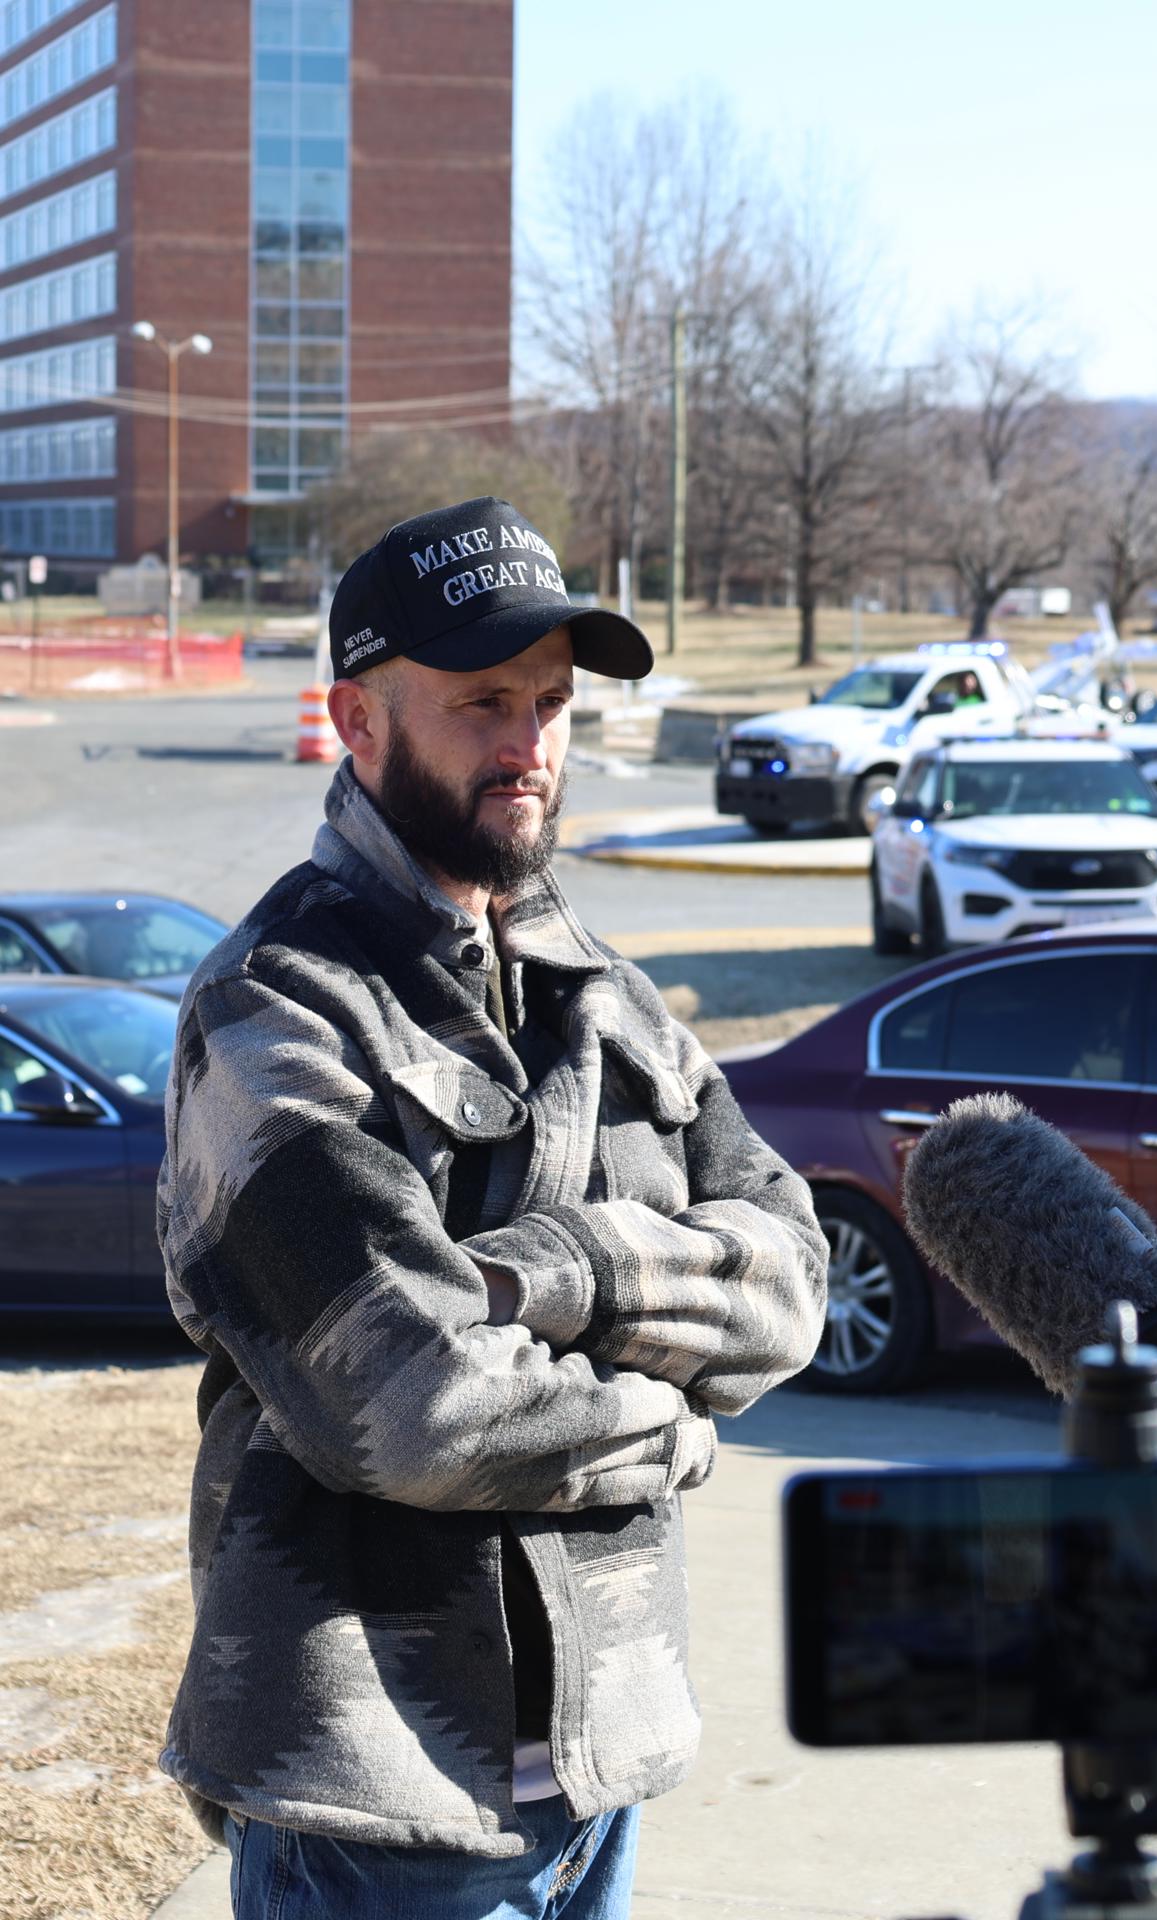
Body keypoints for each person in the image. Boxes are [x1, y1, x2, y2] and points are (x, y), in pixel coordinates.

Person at [156, 495, 829, 1919]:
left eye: (549, 703)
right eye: (479, 703)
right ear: (356, 718)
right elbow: (412, 1403)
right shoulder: (273, 1007)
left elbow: (791, 1288)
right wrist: (678, 1427)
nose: (528, 746)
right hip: (374, 1803)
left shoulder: (610, 999)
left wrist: (570, 1269)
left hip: (603, 1775)